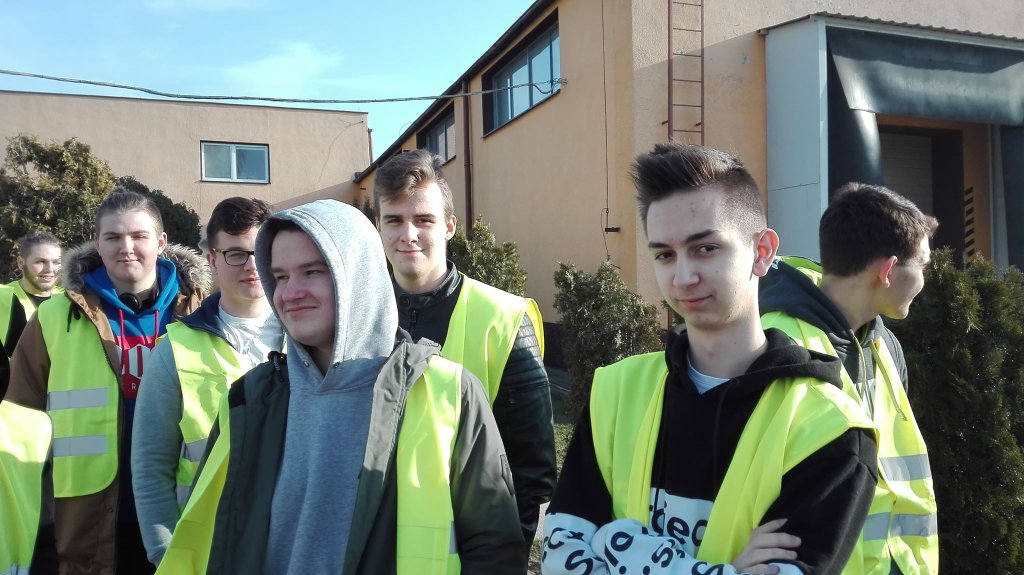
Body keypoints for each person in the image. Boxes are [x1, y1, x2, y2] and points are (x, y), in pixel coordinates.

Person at [542, 142, 879, 575]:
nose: (683, 277)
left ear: (762, 252)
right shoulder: (617, 391)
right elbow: (559, 558)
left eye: (705, 248)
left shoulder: (828, 427)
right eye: (665, 254)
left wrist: (618, 547)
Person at [155, 199, 524, 574]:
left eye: (312, 272)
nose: (290, 293)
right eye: (280, 277)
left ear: (359, 274)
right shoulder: (249, 398)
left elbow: (494, 549)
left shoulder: (451, 393)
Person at [4, 189, 210, 575]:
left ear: (161, 242)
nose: (126, 248)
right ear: (96, 243)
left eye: (139, 236)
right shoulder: (54, 317)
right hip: (83, 522)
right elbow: (18, 422)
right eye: (113, 237)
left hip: (183, 512)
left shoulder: (202, 314)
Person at [374, 149, 557, 558]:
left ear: (449, 227)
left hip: (467, 555)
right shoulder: (354, 317)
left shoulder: (504, 319)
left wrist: (500, 562)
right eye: (394, 220)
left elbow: (531, 473)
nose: (408, 234)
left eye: (424, 220)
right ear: (378, 227)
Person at [760, 183, 939, 575]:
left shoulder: (885, 346)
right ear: (888, 270)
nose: (924, 280)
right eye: (922, 266)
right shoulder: (772, 344)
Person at [132, 197, 283, 566]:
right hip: (206, 551)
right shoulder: (174, 351)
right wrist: (166, 554)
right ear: (212, 259)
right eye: (236, 254)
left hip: (285, 545)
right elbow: (151, 468)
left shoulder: (307, 340)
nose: (251, 265)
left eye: (260, 251)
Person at [1, 231, 62, 359]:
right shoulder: (3, 297)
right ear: (21, 263)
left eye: (56, 262)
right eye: (40, 262)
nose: (50, 269)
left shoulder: (69, 299)